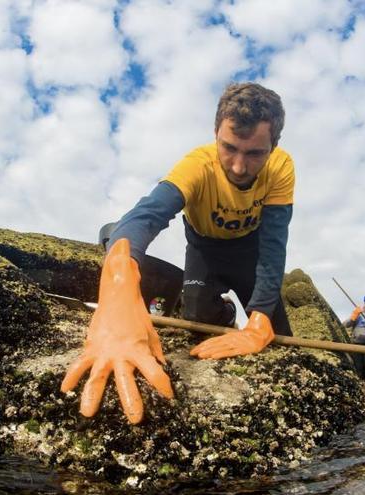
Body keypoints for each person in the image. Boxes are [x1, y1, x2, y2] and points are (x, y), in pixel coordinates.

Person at [60, 82, 295, 424]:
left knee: (281, 338)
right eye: (229, 148)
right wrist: (119, 286)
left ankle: (252, 315)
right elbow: (143, 218)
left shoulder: (282, 168)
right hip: (205, 248)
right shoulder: (197, 166)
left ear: (273, 146)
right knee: (199, 327)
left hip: (251, 250)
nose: (239, 166)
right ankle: (226, 312)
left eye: (255, 153)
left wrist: (259, 320)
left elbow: (274, 246)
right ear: (215, 133)